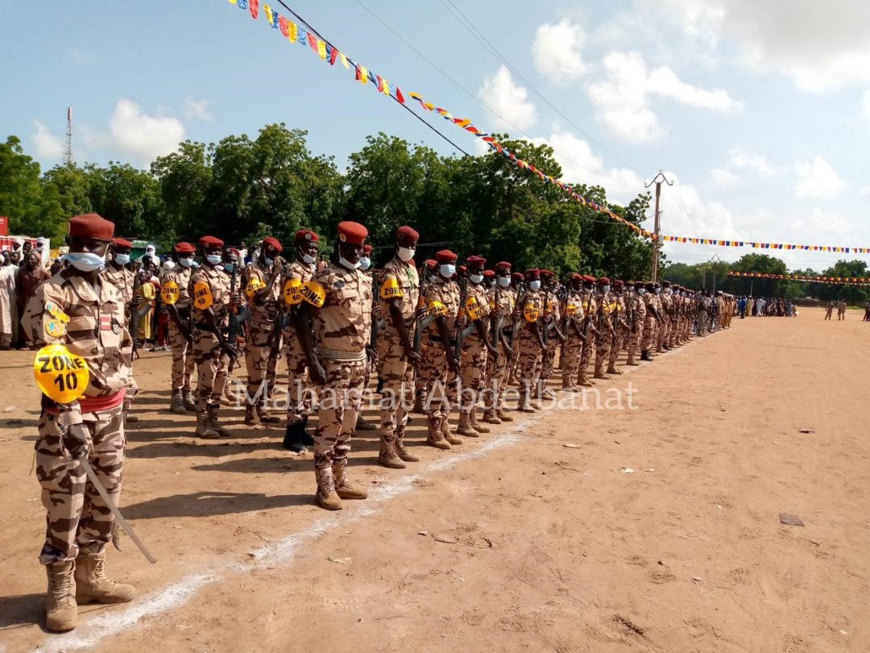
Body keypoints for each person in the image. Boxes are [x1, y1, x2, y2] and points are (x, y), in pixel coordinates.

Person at [22, 213, 135, 632]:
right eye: (80, 246)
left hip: (112, 411)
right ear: (70, 245)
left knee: (106, 496)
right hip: (69, 415)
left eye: (96, 248)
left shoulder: (115, 287)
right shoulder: (52, 292)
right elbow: (49, 358)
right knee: (66, 499)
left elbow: (122, 342)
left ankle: (92, 576)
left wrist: (129, 382)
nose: (88, 254)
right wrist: (69, 417)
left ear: (107, 250)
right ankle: (61, 587)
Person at [294, 221, 373, 511]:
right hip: (333, 363)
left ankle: (341, 479)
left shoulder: (365, 279)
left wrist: (369, 349)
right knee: (330, 423)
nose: (355, 252)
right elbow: (300, 318)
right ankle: (324, 483)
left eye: (360, 247)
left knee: (349, 423)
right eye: (350, 247)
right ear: (340, 244)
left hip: (359, 364)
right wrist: (312, 360)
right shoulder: (324, 279)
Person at [376, 226, 423, 468]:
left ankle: (399, 441)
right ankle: (386, 448)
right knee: (392, 395)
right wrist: (408, 344)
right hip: (395, 340)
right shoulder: (389, 271)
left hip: (411, 337)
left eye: (414, 246)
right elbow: (394, 309)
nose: (411, 250)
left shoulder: (412, 269)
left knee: (407, 393)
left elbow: (411, 303)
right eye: (408, 246)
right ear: (398, 244)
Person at [190, 236, 238, 439]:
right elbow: (208, 313)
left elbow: (231, 305)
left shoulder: (225, 276)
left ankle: (214, 420)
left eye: (219, 252)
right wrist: (223, 339)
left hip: (225, 333)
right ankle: (202, 424)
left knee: (221, 378)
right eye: (213, 252)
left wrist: (235, 303)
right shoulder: (199, 277)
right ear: (203, 252)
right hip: (207, 335)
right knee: (206, 381)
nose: (217, 255)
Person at [420, 250, 464, 448]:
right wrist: (449, 351)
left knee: (452, 388)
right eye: (447, 263)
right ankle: (434, 430)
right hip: (438, 347)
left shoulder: (455, 287)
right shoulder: (432, 289)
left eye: (453, 263)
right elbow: (439, 320)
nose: (451, 266)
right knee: (436, 389)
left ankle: (444, 424)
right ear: (438, 265)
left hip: (453, 346)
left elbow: (455, 318)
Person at [281, 230, 320, 453]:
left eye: (315, 248)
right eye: (309, 248)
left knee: (307, 386)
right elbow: (295, 309)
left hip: (311, 334)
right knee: (297, 383)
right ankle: (292, 433)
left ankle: (302, 426)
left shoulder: (312, 271)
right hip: (298, 335)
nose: (312, 252)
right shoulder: (294, 272)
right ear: (298, 249)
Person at [242, 237, 285, 426]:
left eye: (277, 256)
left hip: (276, 329)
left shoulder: (273, 269)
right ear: (264, 252)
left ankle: (263, 407)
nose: (275, 258)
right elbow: (258, 298)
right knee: (257, 373)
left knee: (271, 371)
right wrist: (274, 276)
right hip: (260, 329)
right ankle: (250, 410)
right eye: (272, 254)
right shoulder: (254, 271)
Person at [163, 242, 198, 413]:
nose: (188, 259)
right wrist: (183, 327)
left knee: (191, 359)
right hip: (178, 322)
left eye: (191, 256)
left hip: (193, 321)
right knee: (180, 358)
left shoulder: (196, 273)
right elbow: (170, 304)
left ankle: (187, 392)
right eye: (185, 256)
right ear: (178, 257)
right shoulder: (171, 276)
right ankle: (176, 395)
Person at [483, 261, 515, 421]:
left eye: (508, 274)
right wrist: (505, 344)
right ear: (497, 276)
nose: (506, 277)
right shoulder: (491, 294)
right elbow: (496, 324)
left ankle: (498, 406)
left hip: (510, 338)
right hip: (498, 338)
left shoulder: (511, 294)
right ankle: (489, 410)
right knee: (494, 375)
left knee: (504, 375)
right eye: (503, 275)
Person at [515, 269, 546, 411]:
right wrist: (541, 341)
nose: (537, 282)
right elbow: (532, 322)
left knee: (536, 368)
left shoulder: (537, 295)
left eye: (538, 279)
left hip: (535, 339)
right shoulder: (528, 297)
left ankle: (528, 398)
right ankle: (523, 401)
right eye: (535, 280)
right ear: (528, 281)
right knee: (527, 370)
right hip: (529, 339)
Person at [15, 250, 50, 349]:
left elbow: (50, 282)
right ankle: (26, 341)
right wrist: (18, 297)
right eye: (28, 259)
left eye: (32, 259)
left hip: (38, 300)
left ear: (37, 261)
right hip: (24, 299)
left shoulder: (42, 272)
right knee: (25, 320)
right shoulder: (21, 271)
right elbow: (17, 286)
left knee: (37, 320)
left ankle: (37, 341)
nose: (29, 261)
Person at [0, 251, 16, 349]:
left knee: (4, 317)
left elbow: (11, 286)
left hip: (3, 297)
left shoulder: (5, 272)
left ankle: (5, 342)